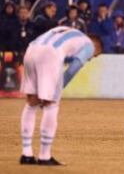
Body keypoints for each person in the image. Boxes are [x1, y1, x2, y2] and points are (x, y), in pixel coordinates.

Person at [19, 26, 102, 166]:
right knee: (51, 105)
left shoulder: (71, 33)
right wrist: (56, 90)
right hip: (50, 54)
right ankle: (44, 156)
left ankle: (26, 154)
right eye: (96, 55)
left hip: (31, 49)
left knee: (31, 102)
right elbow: (72, 69)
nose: (92, 58)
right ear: (97, 46)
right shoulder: (88, 44)